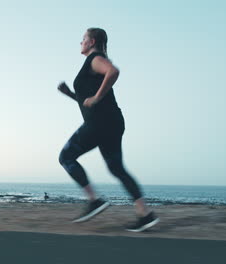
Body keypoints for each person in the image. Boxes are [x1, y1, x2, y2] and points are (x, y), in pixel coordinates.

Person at [57, 28, 159, 232]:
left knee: (66, 157)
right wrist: (70, 93)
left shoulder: (95, 58)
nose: (80, 42)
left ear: (91, 41)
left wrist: (97, 97)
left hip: (99, 123)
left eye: (83, 39)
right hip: (112, 122)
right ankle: (145, 215)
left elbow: (113, 72)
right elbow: (86, 100)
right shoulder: (94, 61)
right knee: (116, 168)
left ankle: (94, 201)